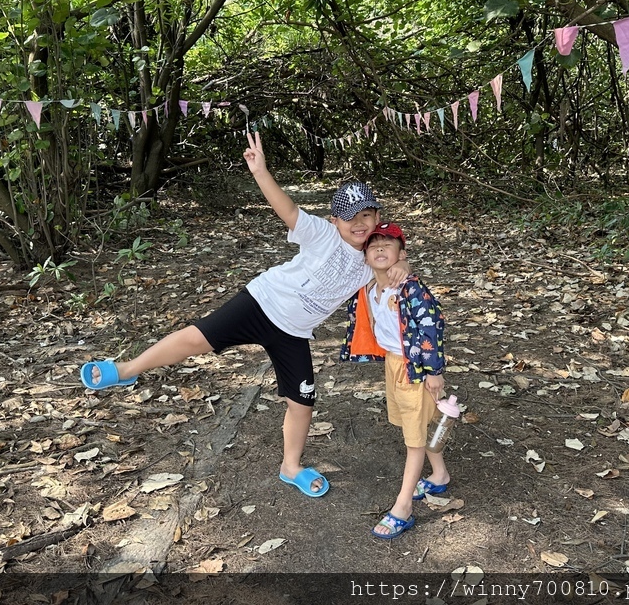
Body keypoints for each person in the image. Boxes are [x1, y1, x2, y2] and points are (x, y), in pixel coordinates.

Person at [81, 131, 409, 498]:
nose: (360, 224)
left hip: (294, 333)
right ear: (335, 220)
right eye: (351, 218)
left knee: (302, 402)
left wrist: (403, 266)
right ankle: (124, 370)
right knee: (194, 338)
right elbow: (286, 208)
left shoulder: (373, 256)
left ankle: (291, 466)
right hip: (260, 302)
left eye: (367, 216)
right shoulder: (321, 233)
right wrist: (260, 172)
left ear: (377, 216)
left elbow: (392, 265)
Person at [340, 222, 450, 539]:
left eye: (388, 244)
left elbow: (432, 327)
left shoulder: (410, 288)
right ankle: (440, 474)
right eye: (373, 244)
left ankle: (403, 507)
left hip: (414, 366)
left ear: (401, 253)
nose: (379, 248)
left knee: (414, 440)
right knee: (416, 422)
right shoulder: (369, 289)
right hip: (393, 363)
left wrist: (434, 371)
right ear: (365, 256)